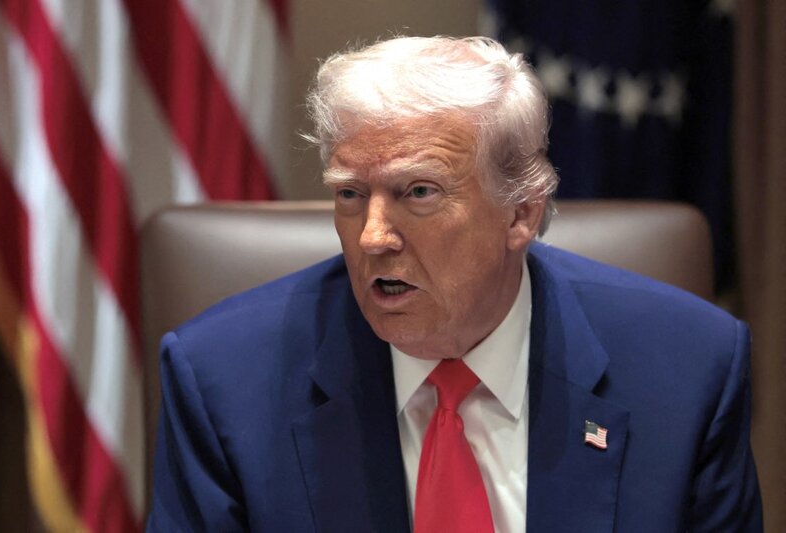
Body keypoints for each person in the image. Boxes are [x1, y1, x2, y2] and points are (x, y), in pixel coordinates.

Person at [147, 36, 762, 532]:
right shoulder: (222, 381)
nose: (372, 237)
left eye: (418, 192)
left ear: (520, 213)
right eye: (350, 195)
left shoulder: (688, 371)